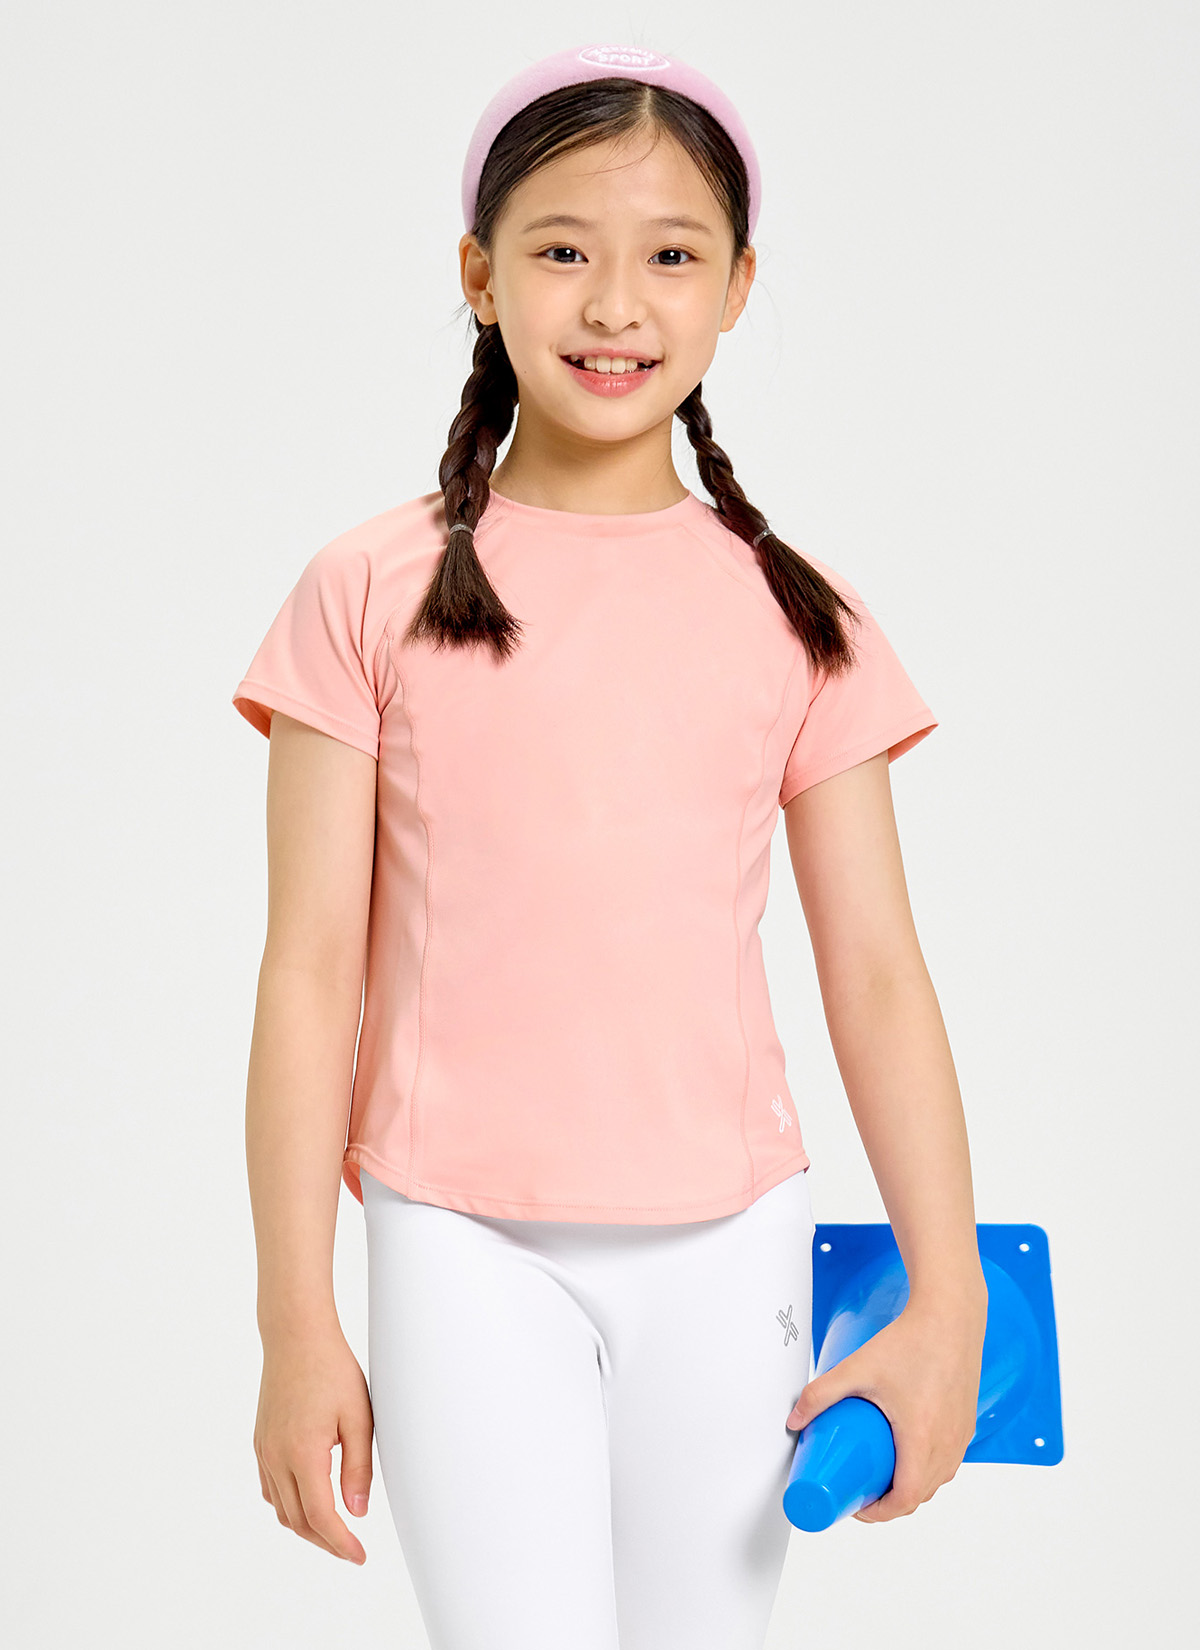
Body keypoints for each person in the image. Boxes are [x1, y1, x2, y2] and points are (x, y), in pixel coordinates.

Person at [231, 41, 988, 1650]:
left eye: (673, 257)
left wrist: (952, 1296)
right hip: (456, 1234)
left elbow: (877, 971)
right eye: (564, 249)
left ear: (738, 287)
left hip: (733, 1239)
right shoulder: (367, 591)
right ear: (480, 275)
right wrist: (297, 1319)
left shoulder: (800, 614)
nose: (617, 304)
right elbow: (306, 975)